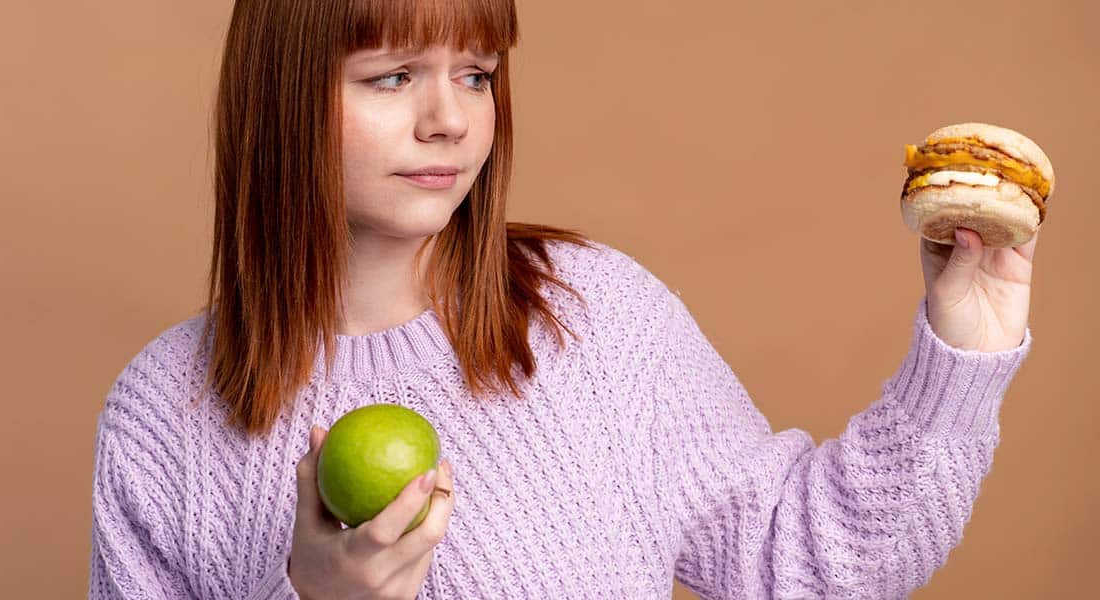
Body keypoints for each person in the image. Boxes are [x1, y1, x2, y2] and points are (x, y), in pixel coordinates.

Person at [87, 1, 1037, 599]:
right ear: (283, 99)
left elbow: (809, 564)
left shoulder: (592, 312)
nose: (450, 118)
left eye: (476, 73)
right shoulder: (163, 414)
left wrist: (960, 361)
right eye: (392, 76)